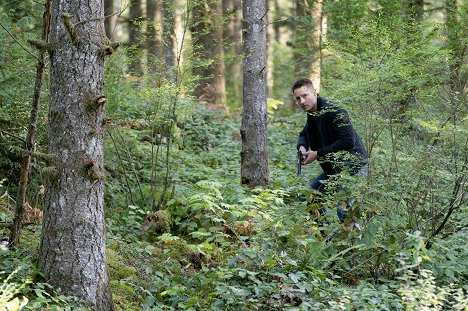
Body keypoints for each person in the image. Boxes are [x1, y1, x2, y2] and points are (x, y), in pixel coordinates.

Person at [293, 78, 368, 222]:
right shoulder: (313, 113)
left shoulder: (334, 109)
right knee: (312, 197)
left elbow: (348, 141)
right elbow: (304, 134)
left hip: (355, 166)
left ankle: (353, 242)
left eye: (305, 95)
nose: (302, 101)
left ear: (314, 92)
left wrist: (317, 153)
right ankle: (326, 239)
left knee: (343, 209)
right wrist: (302, 147)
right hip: (335, 169)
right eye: (298, 98)